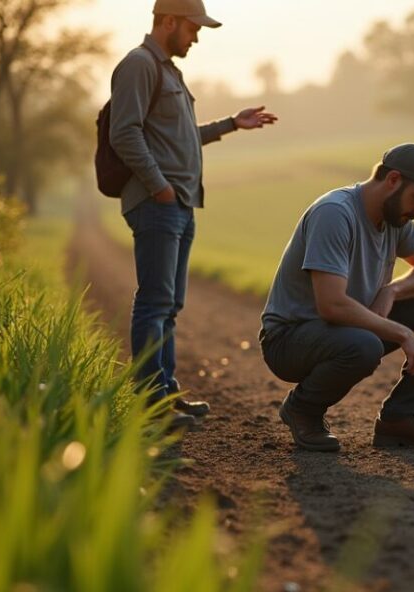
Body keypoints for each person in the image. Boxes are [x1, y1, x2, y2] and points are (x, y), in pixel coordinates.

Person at [109, 0, 277, 427]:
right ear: (168, 22)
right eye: (192, 27)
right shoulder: (138, 65)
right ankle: (151, 405)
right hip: (158, 204)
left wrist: (231, 124)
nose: (197, 36)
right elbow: (124, 133)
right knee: (154, 303)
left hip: (180, 203)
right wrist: (159, 187)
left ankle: (165, 391)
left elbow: (181, 137)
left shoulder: (169, 71)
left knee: (170, 304)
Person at [260, 143, 414, 453]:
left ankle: (400, 418)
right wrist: (402, 332)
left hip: (349, 328)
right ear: (393, 180)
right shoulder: (335, 213)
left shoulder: (396, 220)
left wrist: (391, 290)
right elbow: (331, 305)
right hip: (291, 339)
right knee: (365, 345)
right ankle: (303, 409)